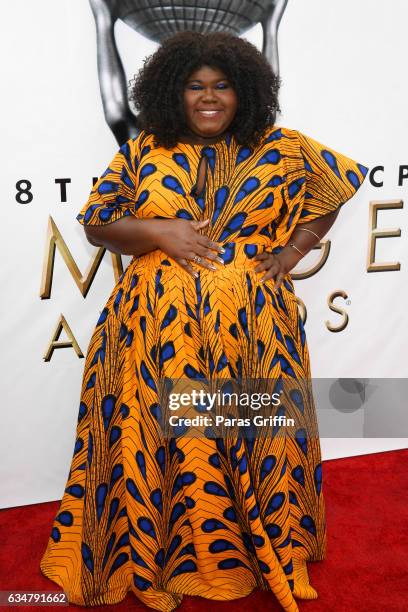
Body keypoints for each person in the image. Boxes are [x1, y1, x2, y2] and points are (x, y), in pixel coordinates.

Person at [40, 31, 368, 612]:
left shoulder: (282, 147)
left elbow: (337, 185)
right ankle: (168, 555)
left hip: (254, 331)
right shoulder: (143, 151)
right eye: (195, 85)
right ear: (174, 92)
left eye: (222, 86)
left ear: (244, 93)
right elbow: (97, 224)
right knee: (168, 444)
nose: (209, 97)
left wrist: (292, 253)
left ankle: (247, 550)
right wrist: (160, 231)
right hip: (154, 332)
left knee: (257, 440)